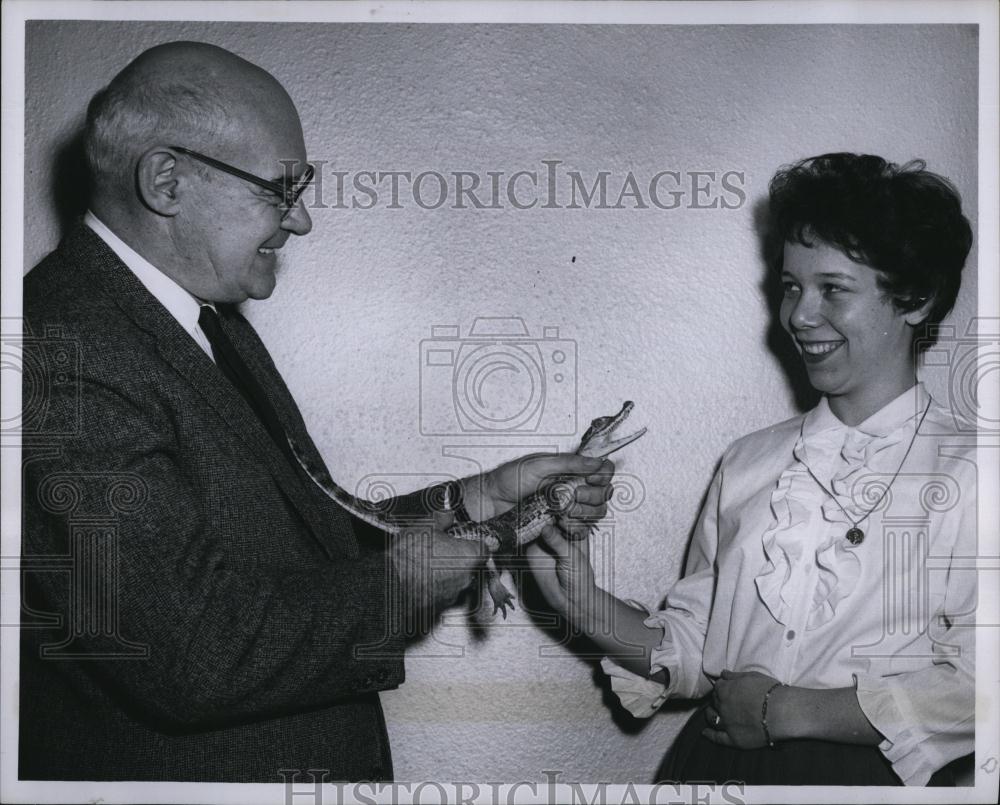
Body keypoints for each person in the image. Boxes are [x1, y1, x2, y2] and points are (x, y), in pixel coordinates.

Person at [20, 41, 614, 782]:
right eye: (280, 187)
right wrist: (400, 588)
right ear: (167, 180)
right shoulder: (58, 349)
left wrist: (481, 497)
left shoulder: (206, 322)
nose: (299, 222)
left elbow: (309, 549)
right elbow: (191, 651)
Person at [528, 153, 976, 786]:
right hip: (712, 770)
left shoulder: (976, 471)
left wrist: (781, 710)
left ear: (917, 298)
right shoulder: (748, 460)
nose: (798, 315)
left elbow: (982, 689)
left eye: (833, 288)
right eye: (791, 286)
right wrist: (579, 598)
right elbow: (695, 652)